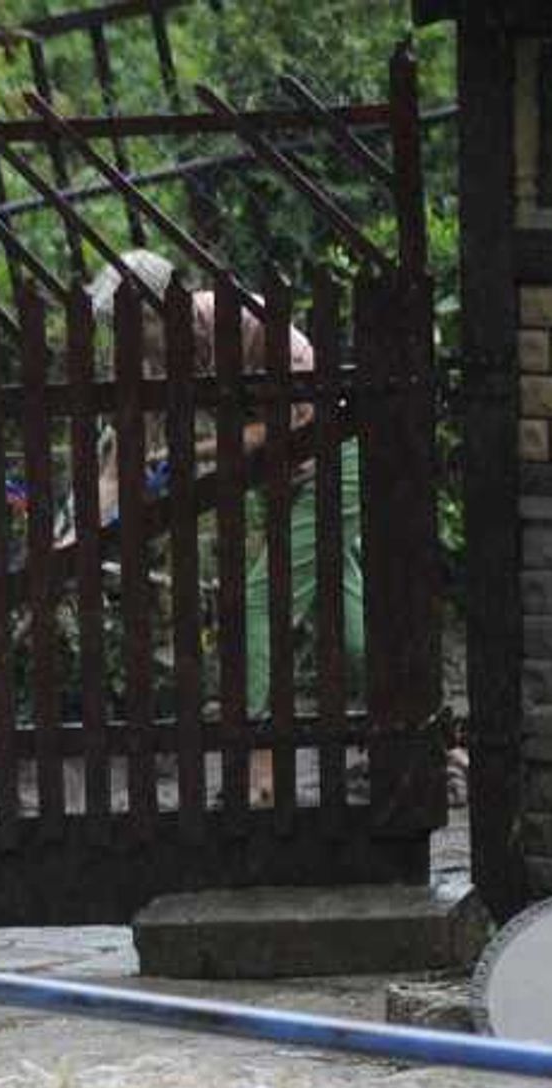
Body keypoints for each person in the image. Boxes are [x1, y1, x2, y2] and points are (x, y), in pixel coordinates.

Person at [86, 251, 364, 807]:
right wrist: (78, 538)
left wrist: (202, 450)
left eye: (131, 329)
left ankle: (258, 774)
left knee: (258, 605)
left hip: (333, 462)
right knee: (350, 617)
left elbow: (301, 418)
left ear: (162, 309)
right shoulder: (153, 362)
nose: (130, 347)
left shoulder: (243, 322)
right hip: (279, 482)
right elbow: (120, 464)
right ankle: (432, 738)